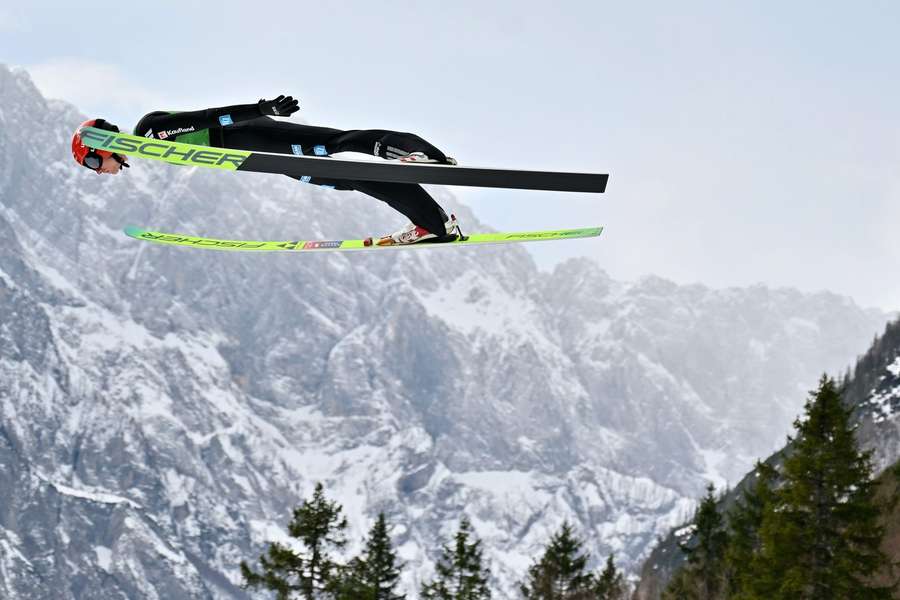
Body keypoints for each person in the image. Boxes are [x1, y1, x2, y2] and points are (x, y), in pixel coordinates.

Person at [70, 95, 460, 245]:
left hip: (251, 134)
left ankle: (422, 154)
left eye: (91, 161)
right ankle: (433, 223)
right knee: (348, 178)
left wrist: (261, 110)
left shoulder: (149, 131)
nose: (96, 170)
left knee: (340, 143)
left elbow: (207, 118)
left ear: (102, 144)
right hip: (260, 156)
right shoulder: (151, 149)